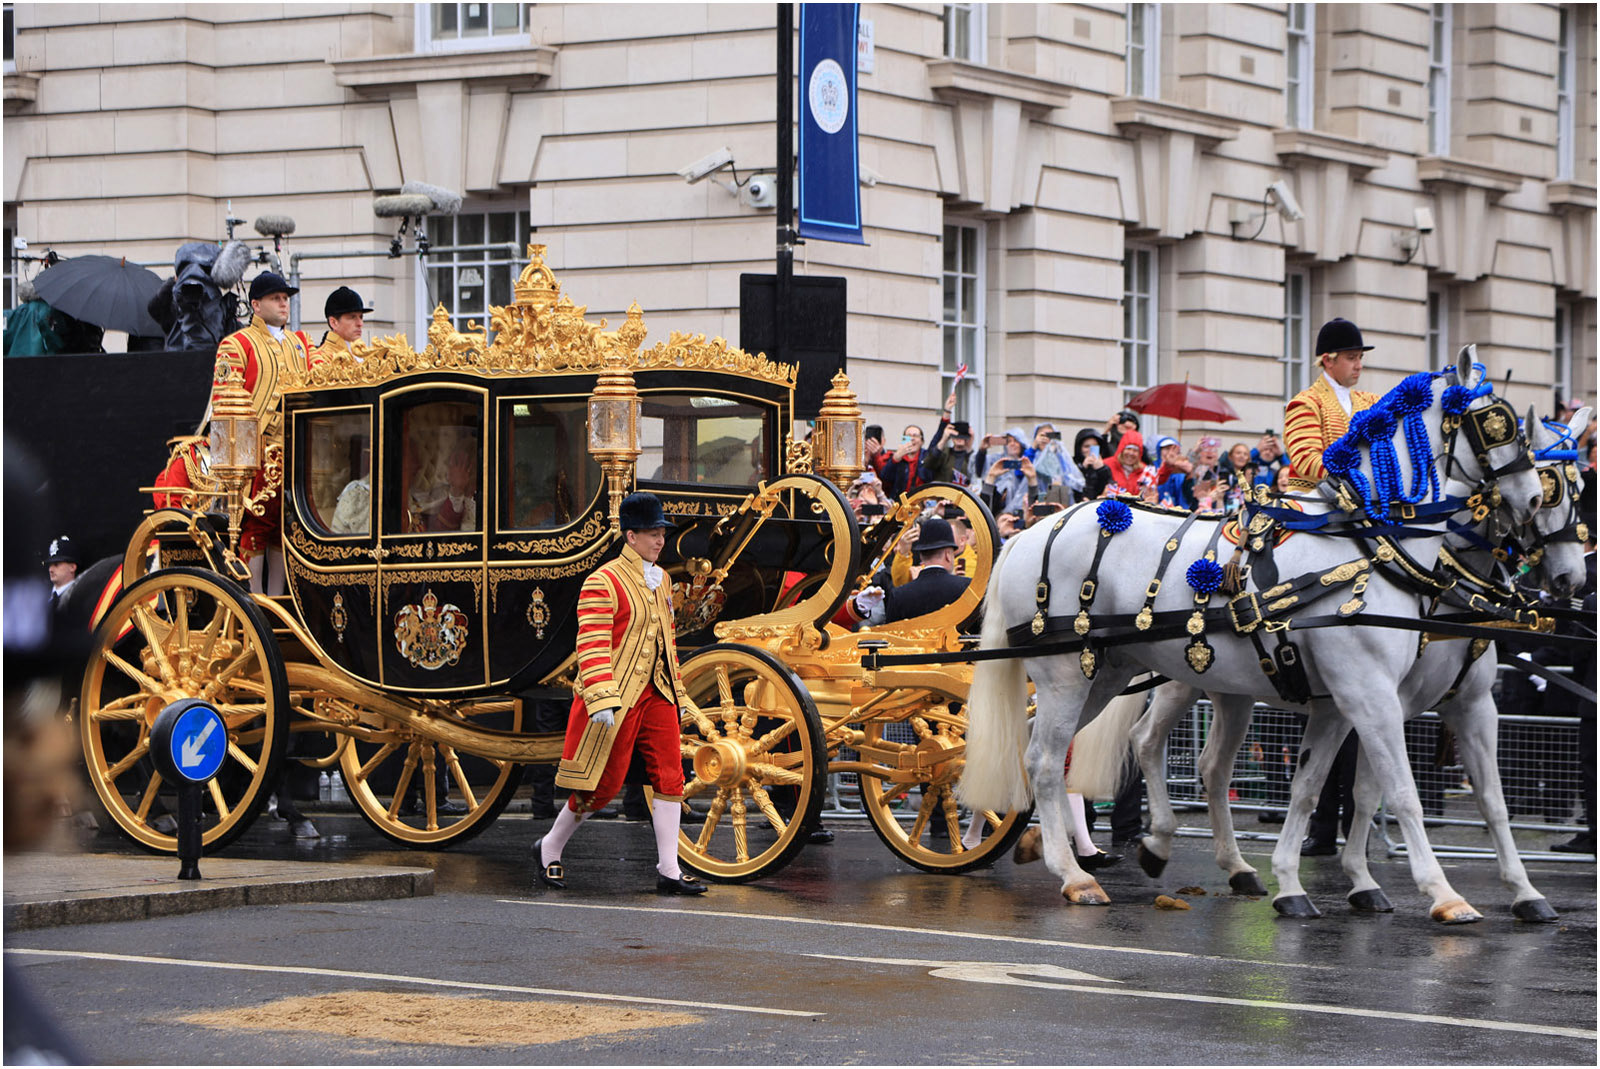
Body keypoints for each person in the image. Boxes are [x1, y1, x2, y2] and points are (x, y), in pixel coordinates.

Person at [538, 492, 706, 895]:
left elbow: (666, 642)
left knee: (671, 776)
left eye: (661, 533)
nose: (660, 540)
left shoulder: (662, 578)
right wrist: (600, 696)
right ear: (630, 537)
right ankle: (550, 846)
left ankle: (668, 868)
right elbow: (592, 642)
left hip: (657, 691)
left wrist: (679, 694)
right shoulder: (604, 580)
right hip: (619, 695)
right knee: (603, 785)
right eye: (652, 533)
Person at [210, 271, 318, 595]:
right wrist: (240, 465)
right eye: (275, 298)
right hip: (256, 453)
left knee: (285, 530)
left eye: (285, 298)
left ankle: (279, 602)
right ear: (255, 305)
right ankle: (255, 603)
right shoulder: (238, 344)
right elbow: (224, 406)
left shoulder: (302, 343)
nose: (283, 303)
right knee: (256, 528)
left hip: (297, 451)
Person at [1283, 317, 1379, 489]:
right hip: (1313, 499)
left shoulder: (1371, 402)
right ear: (1328, 360)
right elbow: (1305, 458)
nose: (1359, 366)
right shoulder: (1306, 403)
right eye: (1351, 358)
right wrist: (1353, 476)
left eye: (1360, 357)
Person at [848, 516, 969, 626]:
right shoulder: (967, 587)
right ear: (948, 555)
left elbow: (892, 638)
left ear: (921, 556)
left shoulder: (899, 595)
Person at [978, 428, 1042, 515]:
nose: (1012, 444)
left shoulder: (1029, 463)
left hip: (1022, 510)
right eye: (1009, 441)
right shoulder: (997, 460)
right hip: (998, 510)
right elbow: (979, 472)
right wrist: (982, 451)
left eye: (1016, 441)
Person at [1028, 423, 1084, 502]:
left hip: (1060, 496)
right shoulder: (1032, 455)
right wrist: (1033, 446)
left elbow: (1072, 477)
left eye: (1049, 436)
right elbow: (1022, 471)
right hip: (1035, 497)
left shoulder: (1061, 455)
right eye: (1042, 436)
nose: (1045, 439)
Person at [315, 286, 372, 360]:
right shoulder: (323, 358)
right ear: (334, 323)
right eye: (352, 317)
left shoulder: (365, 354)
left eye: (361, 317)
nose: (360, 323)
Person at [882, 424, 933, 499]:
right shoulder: (897, 457)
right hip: (899, 504)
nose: (912, 439)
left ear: (922, 441)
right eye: (908, 436)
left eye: (915, 436)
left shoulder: (927, 457)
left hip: (921, 502)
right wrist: (895, 458)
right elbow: (885, 477)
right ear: (903, 440)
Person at [1104, 430, 1156, 498]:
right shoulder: (1107, 465)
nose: (1131, 453)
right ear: (1121, 449)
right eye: (1128, 449)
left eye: (1135, 450)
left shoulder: (1145, 471)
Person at [42, 536, 78, 615]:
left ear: (72, 567)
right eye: (50, 565)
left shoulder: (78, 598)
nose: (50, 570)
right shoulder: (43, 599)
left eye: (56, 564)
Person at [1074, 429, 1112, 499]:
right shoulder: (1073, 464)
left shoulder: (1105, 467)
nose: (1090, 450)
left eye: (1094, 447)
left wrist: (1101, 470)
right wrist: (1082, 469)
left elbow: (1108, 488)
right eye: (1086, 446)